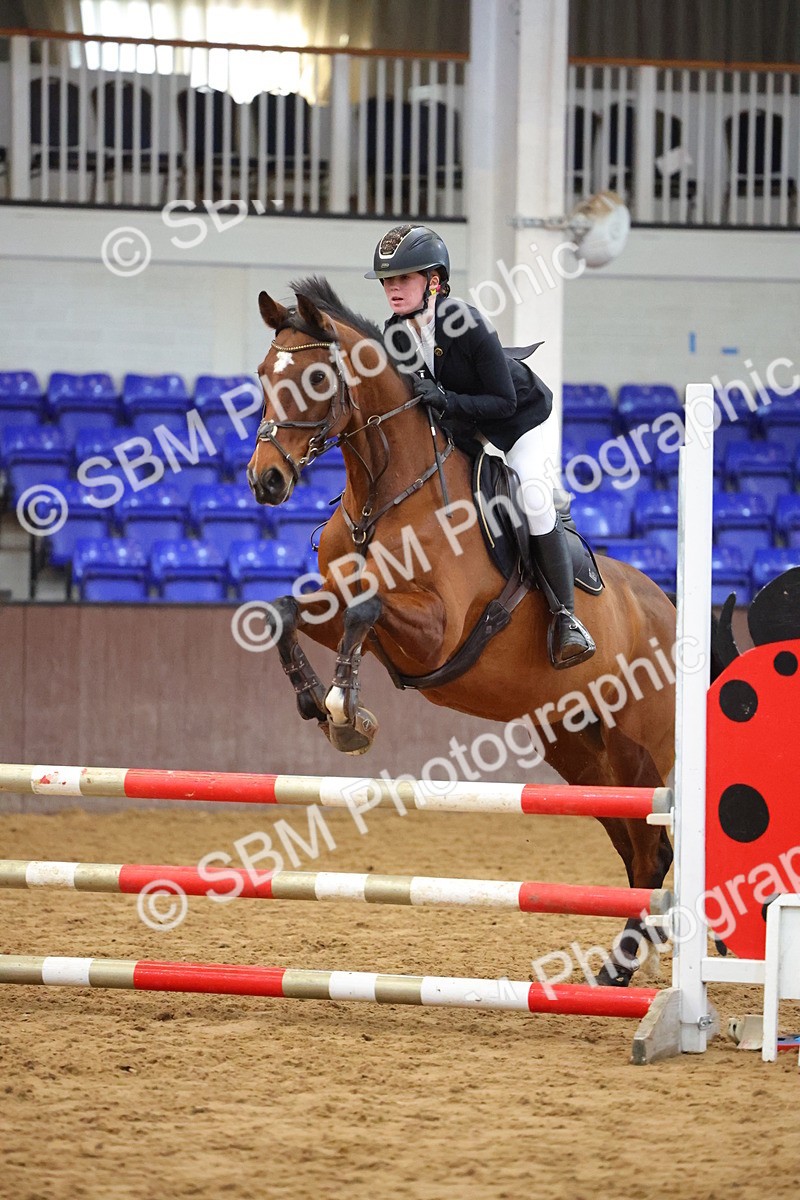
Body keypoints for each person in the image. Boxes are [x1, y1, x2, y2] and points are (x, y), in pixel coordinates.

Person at [366, 223, 595, 670]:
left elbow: (503, 400)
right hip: (463, 425)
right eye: (388, 281)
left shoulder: (465, 324)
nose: (393, 289)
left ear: (434, 282)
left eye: (403, 279)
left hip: (516, 419)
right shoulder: (394, 334)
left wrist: (447, 400)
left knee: (532, 496)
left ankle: (567, 618)